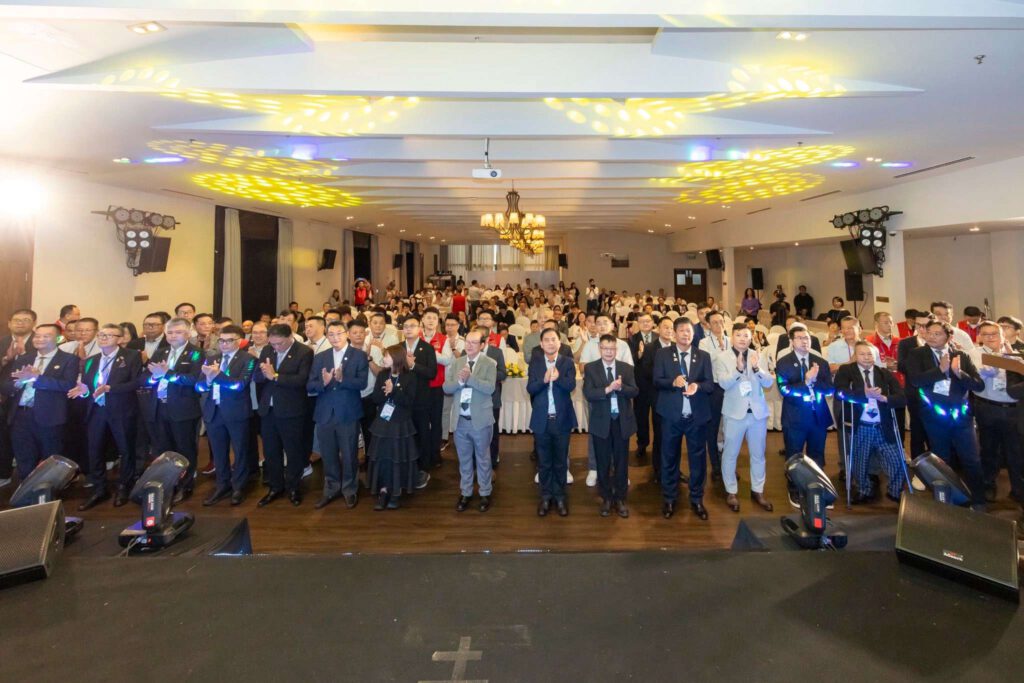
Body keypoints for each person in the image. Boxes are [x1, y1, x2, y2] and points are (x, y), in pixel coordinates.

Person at [905, 320, 986, 509]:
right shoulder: (917, 354)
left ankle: (978, 501)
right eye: (929, 333)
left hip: (961, 417)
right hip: (934, 416)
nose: (931, 337)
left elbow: (978, 385)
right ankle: (946, 503)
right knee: (941, 460)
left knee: (971, 459)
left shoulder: (961, 355)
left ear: (949, 336)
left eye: (937, 334)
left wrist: (959, 373)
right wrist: (940, 371)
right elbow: (916, 381)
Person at [71, 324, 142, 509]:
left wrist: (111, 388)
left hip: (121, 409)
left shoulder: (131, 356)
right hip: (96, 409)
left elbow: (137, 382)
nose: (103, 338)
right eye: (101, 335)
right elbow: (88, 386)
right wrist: (84, 391)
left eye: (109, 335)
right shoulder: (91, 360)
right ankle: (99, 488)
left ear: (120, 339)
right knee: (94, 449)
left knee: (125, 449)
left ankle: (124, 486)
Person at [653, 317, 715, 520]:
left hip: (696, 416)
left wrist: (698, 386)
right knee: (669, 457)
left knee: (698, 459)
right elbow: (656, 380)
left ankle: (697, 499)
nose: (686, 334)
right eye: (681, 330)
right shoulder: (663, 354)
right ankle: (669, 498)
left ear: (693, 333)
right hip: (671, 415)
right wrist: (672, 382)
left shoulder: (703, 356)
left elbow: (710, 384)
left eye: (689, 331)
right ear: (674, 333)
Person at [2, 324, 79, 481]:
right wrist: (19, 383)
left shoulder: (68, 359)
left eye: (46, 336)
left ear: (58, 338)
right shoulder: (24, 358)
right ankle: (27, 490)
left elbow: (68, 385)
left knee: (51, 459)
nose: (40, 339)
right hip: (21, 416)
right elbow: (5, 385)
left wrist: (38, 378)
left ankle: (47, 492)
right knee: (24, 458)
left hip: (50, 417)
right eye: (37, 336)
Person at [834, 340, 908, 503]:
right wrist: (864, 395)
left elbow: (902, 397)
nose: (866, 357)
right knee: (860, 461)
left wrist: (885, 398)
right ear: (855, 356)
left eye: (869, 354)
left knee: (896, 459)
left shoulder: (884, 373)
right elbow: (839, 392)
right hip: (861, 425)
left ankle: (895, 491)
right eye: (862, 354)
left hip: (883, 425)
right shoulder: (847, 370)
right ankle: (864, 490)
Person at [307, 320, 369, 510]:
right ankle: (331, 488)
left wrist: (343, 379)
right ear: (327, 335)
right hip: (325, 413)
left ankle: (350, 489)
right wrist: (324, 383)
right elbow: (310, 385)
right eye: (331, 334)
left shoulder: (359, 355)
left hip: (347, 412)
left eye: (339, 333)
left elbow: (362, 383)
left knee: (349, 454)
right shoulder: (321, 357)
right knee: (328, 454)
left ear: (347, 334)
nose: (335, 338)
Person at [139, 317, 203, 498]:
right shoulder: (161, 352)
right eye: (170, 332)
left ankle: (185, 484)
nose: (173, 336)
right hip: (158, 406)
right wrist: (154, 377)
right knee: (163, 448)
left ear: (188, 334)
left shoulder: (196, 353)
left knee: (185, 448)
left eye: (179, 332)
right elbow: (145, 378)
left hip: (183, 408)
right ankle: (167, 483)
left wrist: (168, 374)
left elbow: (194, 379)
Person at [715, 323, 775, 513]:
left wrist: (757, 368)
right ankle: (731, 491)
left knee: (758, 454)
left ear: (751, 338)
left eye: (746, 335)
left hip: (757, 413)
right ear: (732, 337)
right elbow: (723, 384)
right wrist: (738, 370)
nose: (742, 338)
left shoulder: (758, 355)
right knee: (730, 453)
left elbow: (768, 382)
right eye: (739, 335)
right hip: (734, 413)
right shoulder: (722, 357)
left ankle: (758, 490)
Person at [253, 323, 314, 507]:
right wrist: (263, 373)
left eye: (279, 343)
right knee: (271, 451)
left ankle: (293, 487)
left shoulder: (304, 352)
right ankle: (275, 486)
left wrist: (276, 376)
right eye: (273, 343)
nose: (276, 347)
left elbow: (302, 380)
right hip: (268, 409)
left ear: (290, 337)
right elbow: (258, 376)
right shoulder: (267, 350)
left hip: (291, 410)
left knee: (293, 450)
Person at [194, 324, 255, 507]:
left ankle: (239, 486)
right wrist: (208, 380)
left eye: (229, 340)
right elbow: (199, 386)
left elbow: (240, 385)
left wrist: (217, 375)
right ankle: (222, 485)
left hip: (236, 412)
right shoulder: (211, 358)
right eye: (221, 340)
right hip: (213, 411)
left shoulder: (248, 359)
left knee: (240, 450)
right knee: (219, 452)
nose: (224, 344)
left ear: (239, 341)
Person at [583, 334, 638, 518]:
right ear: (600, 349)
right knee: (603, 462)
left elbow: (635, 391)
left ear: (617, 349)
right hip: (601, 422)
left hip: (621, 421)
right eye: (605, 348)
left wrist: (621, 388)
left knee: (622, 462)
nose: (609, 352)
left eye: (612, 349)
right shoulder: (591, 368)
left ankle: (620, 498)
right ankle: (606, 497)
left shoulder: (626, 368)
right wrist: (608, 389)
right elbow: (588, 393)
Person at [443, 328, 497, 513]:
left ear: (482, 345)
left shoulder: (489, 363)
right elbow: (446, 387)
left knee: (483, 459)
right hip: (460, 420)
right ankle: (465, 492)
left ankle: (485, 492)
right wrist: (459, 383)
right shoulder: (457, 362)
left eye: (474, 342)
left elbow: (490, 388)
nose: (469, 345)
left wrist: (470, 379)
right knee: (464, 459)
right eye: (467, 342)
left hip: (480, 421)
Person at [969, 321, 1023, 504]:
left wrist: (1014, 360)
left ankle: (1018, 490)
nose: (990, 337)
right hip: (988, 407)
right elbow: (974, 378)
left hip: (1014, 410)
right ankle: (988, 484)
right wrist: (987, 371)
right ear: (980, 337)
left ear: (1002, 335)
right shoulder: (975, 353)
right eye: (985, 334)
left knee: (1016, 452)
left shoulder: (1014, 353)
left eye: (994, 333)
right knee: (989, 449)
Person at [527, 328, 577, 517]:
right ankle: (546, 496)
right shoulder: (536, 363)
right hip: (542, 420)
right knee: (544, 462)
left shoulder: (567, 362)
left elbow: (571, 385)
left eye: (553, 339)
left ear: (559, 342)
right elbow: (531, 388)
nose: (550, 343)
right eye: (546, 340)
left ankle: (561, 496)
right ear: (541, 344)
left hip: (561, 420)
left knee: (561, 461)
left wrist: (558, 378)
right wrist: (544, 380)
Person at [368, 344, 419, 510]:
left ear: (396, 358)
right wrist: (386, 392)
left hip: (400, 424)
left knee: (398, 458)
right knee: (383, 457)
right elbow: (375, 398)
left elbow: (409, 402)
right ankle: (383, 490)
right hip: (383, 422)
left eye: (386, 356)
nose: (383, 359)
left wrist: (394, 391)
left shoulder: (410, 377)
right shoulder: (383, 374)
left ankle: (396, 491)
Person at [776, 327, 834, 468]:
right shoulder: (783, 362)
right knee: (794, 458)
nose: (804, 341)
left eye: (807, 338)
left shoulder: (821, 362)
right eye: (800, 338)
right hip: (795, 418)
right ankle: (794, 482)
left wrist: (813, 381)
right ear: (791, 341)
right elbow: (784, 390)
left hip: (818, 417)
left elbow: (830, 389)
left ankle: (816, 481)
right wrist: (806, 383)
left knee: (817, 456)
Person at [401, 316, 437, 488]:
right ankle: (407, 464)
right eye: (405, 326)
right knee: (406, 433)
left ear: (419, 328)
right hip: (402, 399)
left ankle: (423, 468)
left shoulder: (427, 348)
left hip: (421, 398)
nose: (408, 329)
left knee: (422, 433)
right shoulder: (398, 348)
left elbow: (432, 373)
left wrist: (413, 366)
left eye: (412, 326)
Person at [698, 310, 730, 482]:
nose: (719, 325)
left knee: (730, 427)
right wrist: (723, 352)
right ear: (708, 325)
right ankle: (715, 465)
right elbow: (706, 363)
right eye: (715, 322)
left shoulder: (731, 340)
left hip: (730, 388)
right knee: (713, 427)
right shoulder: (704, 343)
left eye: (721, 321)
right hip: (714, 388)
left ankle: (728, 464)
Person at [897, 311, 934, 458]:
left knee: (935, 432)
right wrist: (919, 355)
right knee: (917, 431)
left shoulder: (938, 342)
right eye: (918, 325)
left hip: (936, 394)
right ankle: (918, 464)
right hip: (914, 393)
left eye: (926, 326)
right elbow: (902, 367)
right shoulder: (906, 343)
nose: (922, 329)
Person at [628, 314, 656, 461]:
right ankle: (642, 444)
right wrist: (638, 354)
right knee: (641, 417)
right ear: (638, 323)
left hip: (657, 384)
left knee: (658, 417)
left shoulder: (658, 337)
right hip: (640, 384)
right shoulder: (632, 339)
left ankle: (659, 444)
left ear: (652, 322)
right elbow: (628, 361)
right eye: (642, 321)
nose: (645, 323)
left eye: (648, 321)